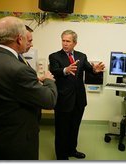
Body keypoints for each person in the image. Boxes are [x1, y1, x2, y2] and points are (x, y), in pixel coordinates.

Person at [0, 16, 58, 160]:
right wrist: (49, 80)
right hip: (17, 140)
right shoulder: (19, 69)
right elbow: (49, 100)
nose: (29, 43)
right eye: (27, 39)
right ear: (19, 39)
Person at [49, 30, 105, 160]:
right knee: (62, 131)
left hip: (79, 100)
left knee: (74, 128)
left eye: (68, 41)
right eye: (63, 40)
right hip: (63, 100)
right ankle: (61, 156)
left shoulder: (82, 56)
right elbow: (54, 70)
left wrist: (95, 70)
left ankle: (71, 150)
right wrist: (65, 70)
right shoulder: (54, 56)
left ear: (75, 43)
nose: (65, 43)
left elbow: (90, 69)